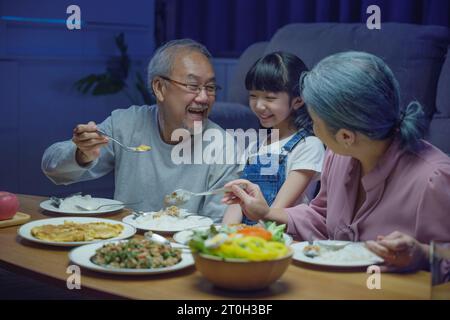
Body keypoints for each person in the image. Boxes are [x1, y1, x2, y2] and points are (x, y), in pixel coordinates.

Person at [222, 51, 450, 272]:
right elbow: (321, 216)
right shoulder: (338, 156)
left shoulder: (434, 178)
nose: (312, 129)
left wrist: (422, 254)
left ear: (345, 137)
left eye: (314, 122)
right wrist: (266, 212)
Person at [42, 39, 240, 222]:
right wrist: (81, 153)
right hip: (125, 246)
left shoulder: (222, 146)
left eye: (211, 87)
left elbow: (218, 227)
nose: (204, 97)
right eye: (193, 86)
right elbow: (53, 168)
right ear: (159, 88)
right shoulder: (126, 124)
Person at [222, 52, 325, 225]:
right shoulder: (255, 146)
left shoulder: (308, 145)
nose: (259, 105)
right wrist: (223, 235)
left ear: (297, 101)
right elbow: (237, 204)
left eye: (270, 98)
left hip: (281, 238)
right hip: (246, 238)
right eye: (253, 96)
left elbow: (275, 212)